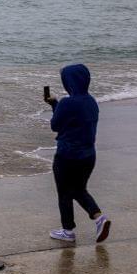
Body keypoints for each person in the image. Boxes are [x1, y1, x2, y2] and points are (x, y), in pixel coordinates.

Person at [45, 64, 111, 243]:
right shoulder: (91, 101)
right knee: (78, 189)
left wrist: (55, 104)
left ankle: (68, 231)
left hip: (67, 155)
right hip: (88, 155)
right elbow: (75, 120)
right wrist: (57, 105)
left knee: (65, 192)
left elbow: (55, 125)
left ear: (69, 82)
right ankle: (98, 218)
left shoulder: (68, 103)